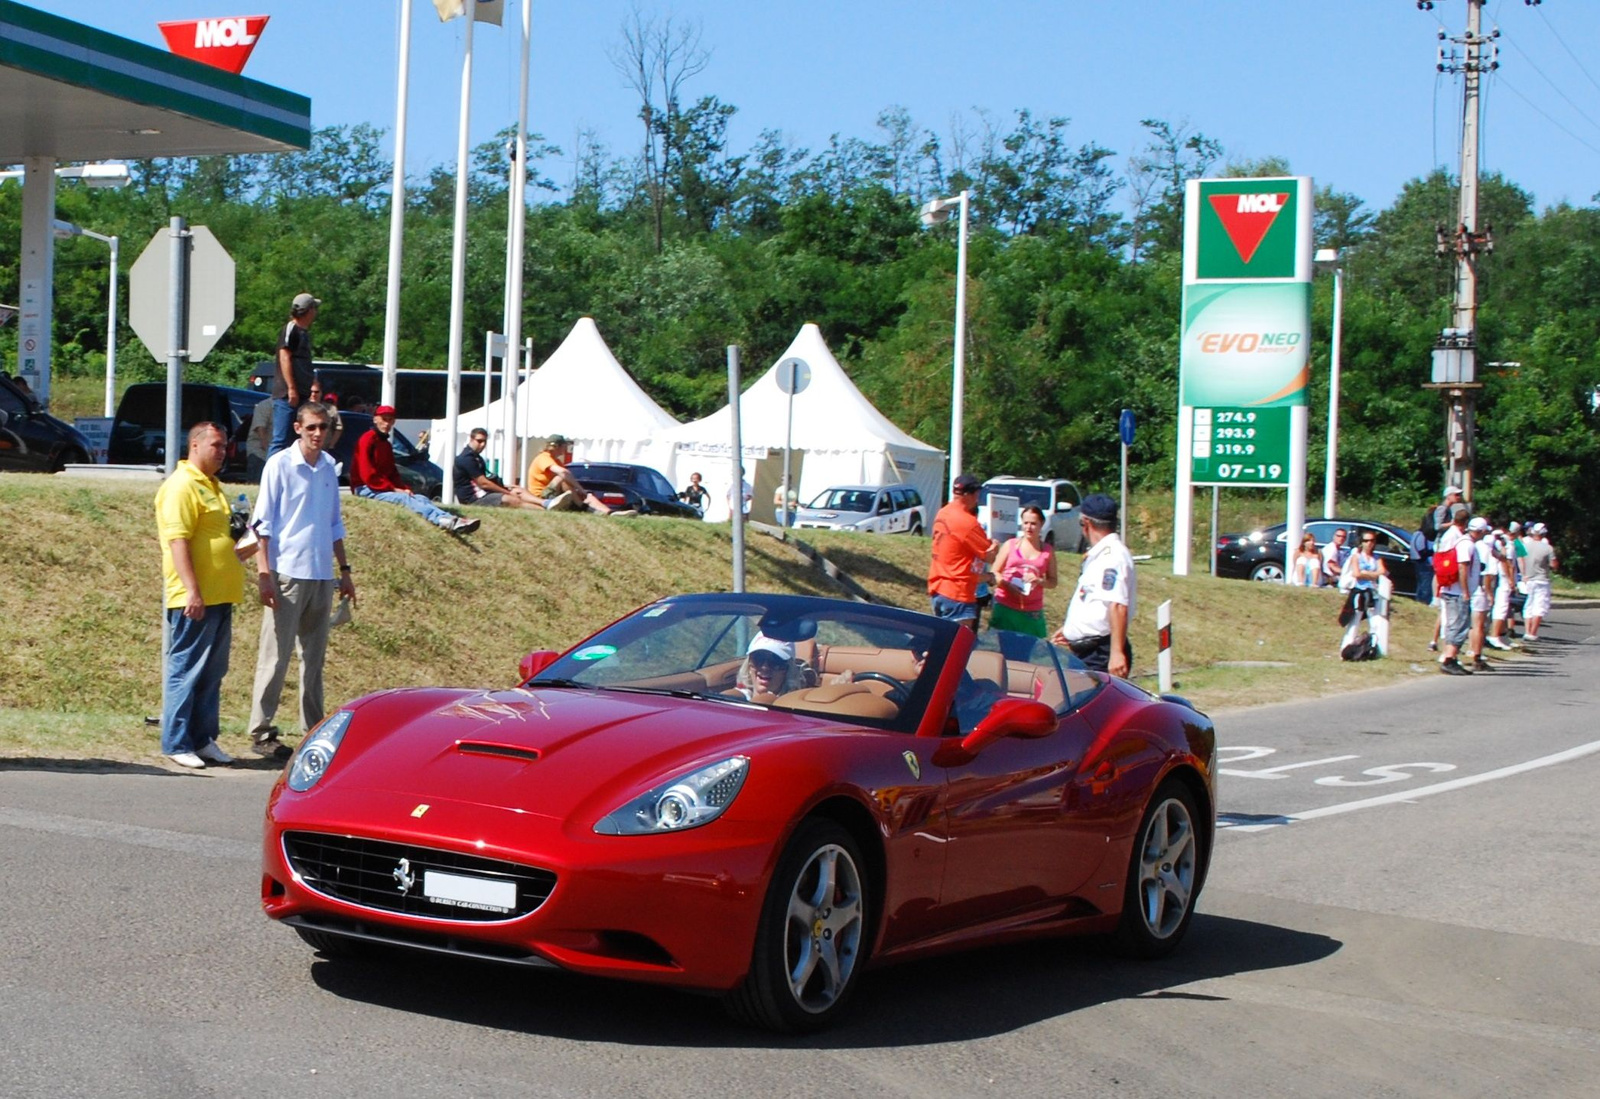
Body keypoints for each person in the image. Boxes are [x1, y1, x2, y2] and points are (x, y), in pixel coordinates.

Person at [248, 401, 357, 758]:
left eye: (322, 427)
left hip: (321, 574)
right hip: (287, 572)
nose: (316, 434)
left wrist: (345, 571)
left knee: (314, 659)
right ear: (297, 428)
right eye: (310, 427)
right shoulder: (280, 465)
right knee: (275, 656)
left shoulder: (328, 467)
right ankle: (261, 731)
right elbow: (261, 524)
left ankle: (313, 728)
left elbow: (333, 523)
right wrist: (265, 574)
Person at [155, 422, 246, 769]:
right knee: (186, 669)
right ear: (195, 445)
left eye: (225, 447)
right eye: (216, 446)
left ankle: (203, 738)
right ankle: (176, 742)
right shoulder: (181, 487)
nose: (222, 452)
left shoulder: (213, 486)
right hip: (195, 598)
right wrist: (192, 590)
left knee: (212, 672)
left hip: (221, 594)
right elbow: (178, 542)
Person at [351, 405, 479, 534]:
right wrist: (394, 489)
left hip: (380, 487)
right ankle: (441, 520)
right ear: (375, 419)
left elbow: (392, 472)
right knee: (404, 499)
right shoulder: (367, 440)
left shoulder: (385, 444)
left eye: (390, 420)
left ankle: (452, 519)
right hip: (365, 488)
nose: (386, 423)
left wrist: (403, 488)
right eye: (384, 419)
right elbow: (368, 474)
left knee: (420, 498)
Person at [1053, 493, 1137, 677]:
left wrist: (1116, 653)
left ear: (1086, 523)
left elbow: (1117, 605)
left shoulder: (1113, 557)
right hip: (1086, 651)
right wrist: (1072, 630)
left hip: (1100, 654)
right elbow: (1092, 600)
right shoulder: (1099, 555)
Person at [927, 473, 998, 631]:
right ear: (971, 494)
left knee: (942, 642)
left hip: (938, 589)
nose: (978, 498)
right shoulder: (967, 522)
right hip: (957, 594)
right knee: (956, 649)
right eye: (977, 494)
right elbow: (989, 556)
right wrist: (995, 546)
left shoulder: (943, 513)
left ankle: (924, 652)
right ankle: (921, 652)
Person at [990, 505, 1058, 637]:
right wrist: (1007, 585)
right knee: (1001, 651)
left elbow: (1053, 581)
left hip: (1031, 610)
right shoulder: (1011, 545)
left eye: (1033, 524)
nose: (1028, 527)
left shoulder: (1048, 551)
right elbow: (994, 573)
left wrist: (1039, 581)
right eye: (1025, 523)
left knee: (1025, 653)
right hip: (1006, 605)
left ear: (1041, 524)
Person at [526, 435, 634, 517]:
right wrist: (579, 488)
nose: (566, 449)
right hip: (542, 495)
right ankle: (581, 506)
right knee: (562, 478)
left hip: (558, 493)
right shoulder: (543, 457)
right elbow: (563, 473)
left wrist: (582, 492)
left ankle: (610, 513)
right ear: (556, 446)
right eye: (565, 446)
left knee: (588, 495)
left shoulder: (557, 460)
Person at [268, 292, 319, 456]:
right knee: (280, 439)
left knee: (295, 440)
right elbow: (285, 357)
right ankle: (270, 478)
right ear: (308, 310)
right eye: (314, 308)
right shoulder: (292, 329)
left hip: (302, 394)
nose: (315, 312)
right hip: (287, 395)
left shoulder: (304, 333)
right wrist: (291, 388)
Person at [455, 428, 541, 509]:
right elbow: (483, 483)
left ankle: (546, 503)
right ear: (471, 439)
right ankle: (543, 511)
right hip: (473, 498)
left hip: (484, 493)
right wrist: (506, 492)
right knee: (513, 499)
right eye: (479, 441)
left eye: (485, 441)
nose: (482, 445)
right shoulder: (466, 458)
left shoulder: (476, 457)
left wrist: (506, 487)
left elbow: (485, 480)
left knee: (518, 490)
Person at [1435, 505, 1476, 675]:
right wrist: (1465, 589)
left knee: (1453, 624)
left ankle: (1449, 656)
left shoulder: (1450, 535)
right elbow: (1460, 565)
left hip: (1450, 586)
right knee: (1458, 624)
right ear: (1465, 523)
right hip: (1455, 587)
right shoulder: (1456, 538)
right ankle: (1449, 658)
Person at [1337, 529, 1389, 657]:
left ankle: (1375, 650)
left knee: (1376, 623)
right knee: (1354, 623)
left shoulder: (1376, 558)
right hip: (1359, 593)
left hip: (1373, 594)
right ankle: (1345, 651)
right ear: (1361, 542)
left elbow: (1383, 571)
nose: (1369, 543)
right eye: (1366, 541)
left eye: (1372, 540)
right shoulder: (1356, 557)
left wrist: (1366, 574)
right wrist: (1371, 575)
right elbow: (1356, 574)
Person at [729, 634, 817, 700]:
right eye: (758, 659)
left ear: (787, 670)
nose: (765, 667)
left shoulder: (794, 706)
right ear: (749, 665)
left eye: (776, 662)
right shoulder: (732, 699)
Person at [1521, 522, 1557, 642]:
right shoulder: (1548, 548)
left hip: (1528, 579)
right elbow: (1553, 564)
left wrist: (1524, 574)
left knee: (1529, 606)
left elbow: (1520, 560)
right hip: (1541, 580)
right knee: (1539, 607)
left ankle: (1527, 631)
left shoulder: (1524, 545)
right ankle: (1533, 633)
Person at [246, 396, 272, 482]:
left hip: (273, 456)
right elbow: (260, 429)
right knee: (257, 485)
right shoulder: (265, 405)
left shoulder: (288, 408)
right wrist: (270, 453)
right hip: (259, 455)